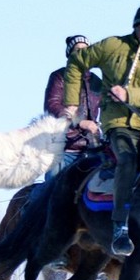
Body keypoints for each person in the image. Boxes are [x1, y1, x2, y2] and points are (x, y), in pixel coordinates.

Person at [62, 3, 140, 256]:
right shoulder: (113, 46)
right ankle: (120, 226)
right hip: (119, 125)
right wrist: (71, 101)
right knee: (127, 160)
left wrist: (129, 93)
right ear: (136, 26)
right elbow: (76, 62)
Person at [43, 34, 102, 178]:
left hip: (92, 148)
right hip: (65, 147)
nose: (82, 54)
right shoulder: (59, 77)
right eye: (77, 50)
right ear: (70, 54)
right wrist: (79, 122)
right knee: (52, 180)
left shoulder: (97, 81)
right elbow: (52, 105)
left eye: (85, 50)